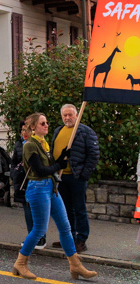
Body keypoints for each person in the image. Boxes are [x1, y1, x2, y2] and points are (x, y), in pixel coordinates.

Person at [12, 112, 97, 281]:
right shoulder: (30, 145)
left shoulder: (43, 144)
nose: (46, 125)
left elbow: (49, 165)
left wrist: (61, 157)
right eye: (43, 123)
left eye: (47, 123)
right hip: (38, 189)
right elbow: (39, 170)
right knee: (39, 230)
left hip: (50, 188)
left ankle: (75, 265)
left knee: (65, 227)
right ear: (34, 127)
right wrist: (58, 164)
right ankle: (20, 263)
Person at [52, 104, 99, 253]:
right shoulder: (58, 131)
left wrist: (83, 175)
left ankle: (81, 240)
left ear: (77, 115)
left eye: (70, 115)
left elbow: (94, 155)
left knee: (79, 209)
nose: (67, 118)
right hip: (61, 177)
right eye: (65, 115)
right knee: (65, 210)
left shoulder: (85, 132)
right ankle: (68, 237)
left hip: (76, 177)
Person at [10, 121, 46, 248]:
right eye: (22, 130)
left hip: (34, 182)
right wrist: (14, 173)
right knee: (27, 211)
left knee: (37, 211)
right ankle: (31, 237)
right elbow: (13, 161)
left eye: (27, 130)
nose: (24, 133)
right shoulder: (19, 144)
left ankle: (41, 238)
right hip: (21, 182)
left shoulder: (36, 144)